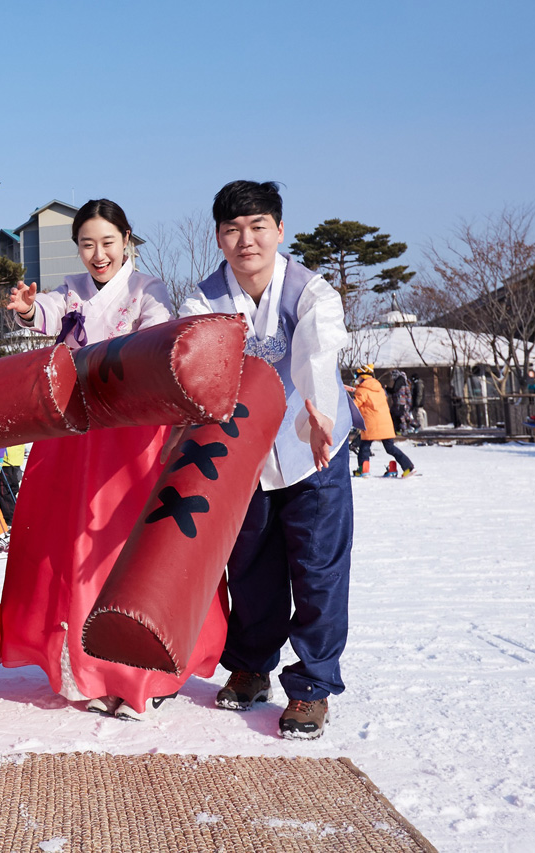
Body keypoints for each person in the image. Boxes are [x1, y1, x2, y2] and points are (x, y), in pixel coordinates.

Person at [0, 199, 227, 722]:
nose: (97, 254)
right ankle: (93, 669)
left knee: (129, 547)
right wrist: (31, 310)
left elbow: (155, 339)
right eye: (86, 244)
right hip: (77, 435)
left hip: (134, 435)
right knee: (76, 546)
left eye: (107, 242)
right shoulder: (70, 290)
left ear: (126, 239)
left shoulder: (150, 290)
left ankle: (145, 670)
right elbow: (49, 313)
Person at [176, 180, 360, 740]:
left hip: (313, 448)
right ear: (218, 238)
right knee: (250, 566)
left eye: (258, 227)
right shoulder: (202, 299)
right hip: (243, 456)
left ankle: (311, 687)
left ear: (280, 230)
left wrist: (319, 409)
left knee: (318, 571)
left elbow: (317, 348)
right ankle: (251, 667)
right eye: (232, 229)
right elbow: (193, 362)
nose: (246, 240)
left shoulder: (312, 292)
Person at [348, 365, 416, 477]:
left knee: (364, 446)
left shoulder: (362, 390)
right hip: (386, 423)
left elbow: (355, 405)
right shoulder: (379, 389)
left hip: (371, 424)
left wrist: (349, 401)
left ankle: (363, 469)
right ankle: (408, 467)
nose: (356, 378)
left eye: (357, 376)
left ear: (362, 376)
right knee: (390, 448)